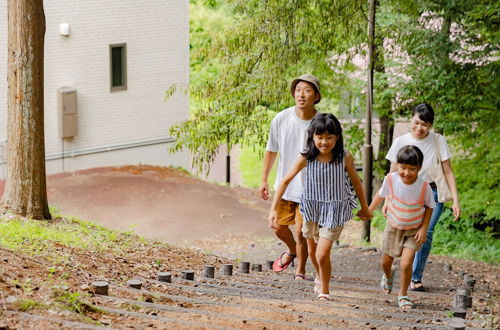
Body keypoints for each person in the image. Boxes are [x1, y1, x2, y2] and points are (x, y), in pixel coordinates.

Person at [268, 113, 371, 300]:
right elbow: (284, 181)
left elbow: (356, 182)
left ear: (337, 137)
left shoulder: (344, 157)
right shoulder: (306, 157)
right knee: (313, 253)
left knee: (322, 254)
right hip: (311, 210)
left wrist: (365, 207)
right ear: (312, 136)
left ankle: (324, 290)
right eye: (320, 137)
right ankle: (319, 277)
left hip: (334, 210)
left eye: (329, 137)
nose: (324, 142)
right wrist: (273, 208)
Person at [385, 103, 460, 292]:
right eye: (416, 123)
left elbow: (448, 171)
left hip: (431, 193)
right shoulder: (401, 141)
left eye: (425, 125)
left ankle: (415, 277)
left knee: (425, 234)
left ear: (431, 125)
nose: (419, 128)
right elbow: (392, 172)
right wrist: (387, 199)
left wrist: (456, 200)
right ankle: (397, 270)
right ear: (411, 119)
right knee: (400, 231)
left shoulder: (438, 140)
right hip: (404, 194)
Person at [260, 74, 322, 280]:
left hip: (310, 188)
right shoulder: (281, 118)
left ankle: (300, 270)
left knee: (302, 232)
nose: (301, 95)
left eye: (306, 90)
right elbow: (271, 150)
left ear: (316, 96)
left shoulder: (321, 122)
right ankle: (293, 250)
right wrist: (264, 179)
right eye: (298, 90)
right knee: (278, 226)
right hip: (285, 185)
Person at [369, 145, 435, 309]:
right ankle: (388, 275)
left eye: (412, 169)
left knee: (406, 264)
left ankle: (403, 295)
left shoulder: (424, 186)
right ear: (397, 165)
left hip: (414, 229)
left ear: (419, 168)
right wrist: (369, 210)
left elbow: (429, 207)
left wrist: (423, 229)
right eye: (403, 167)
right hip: (393, 227)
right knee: (385, 262)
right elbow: (381, 194)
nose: (406, 172)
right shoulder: (391, 179)